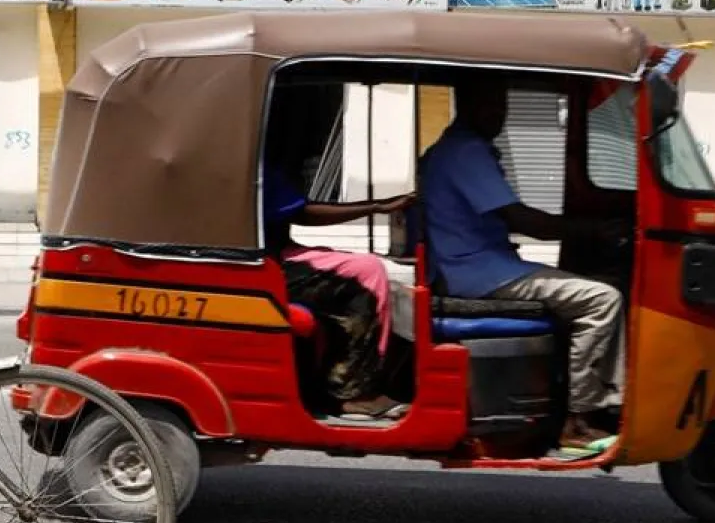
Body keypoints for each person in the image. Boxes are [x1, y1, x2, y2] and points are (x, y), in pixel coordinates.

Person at [419, 78, 624, 452]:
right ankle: (579, 419)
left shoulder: (458, 148)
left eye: (502, 105)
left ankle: (574, 394)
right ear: (466, 103)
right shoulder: (465, 151)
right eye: (489, 105)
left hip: (477, 266)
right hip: (478, 274)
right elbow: (524, 221)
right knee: (602, 298)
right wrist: (595, 231)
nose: (498, 114)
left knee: (591, 286)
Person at [264, 159, 413, 413]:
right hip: (271, 263)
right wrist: (377, 207)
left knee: (373, 272)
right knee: (367, 274)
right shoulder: (253, 166)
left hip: (278, 255)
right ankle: (353, 392)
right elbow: (303, 213)